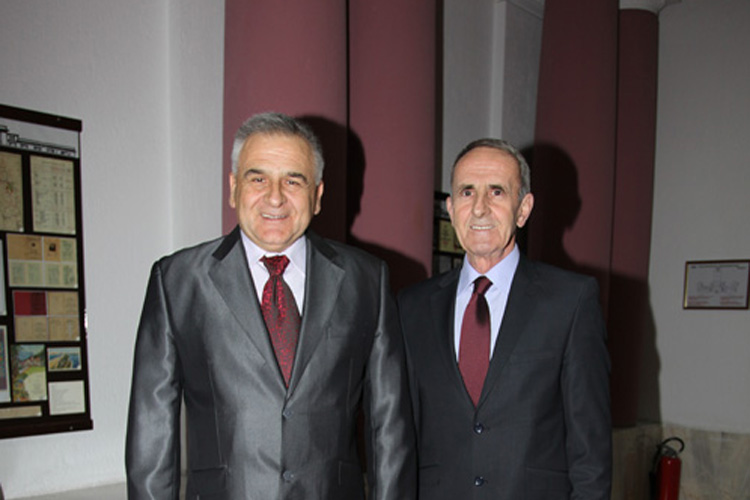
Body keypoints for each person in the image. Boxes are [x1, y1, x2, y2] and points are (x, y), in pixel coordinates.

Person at [126, 112, 416, 499]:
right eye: (258, 179)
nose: (275, 197)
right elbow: (151, 432)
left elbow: (389, 426)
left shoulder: (367, 280)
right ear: (233, 188)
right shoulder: (178, 282)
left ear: (317, 195)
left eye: (293, 181)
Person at [398, 138, 611, 499]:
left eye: (496, 192)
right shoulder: (412, 306)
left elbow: (591, 452)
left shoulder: (571, 302)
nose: (479, 208)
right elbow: (400, 435)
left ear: (523, 209)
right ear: (451, 208)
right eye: (467, 192)